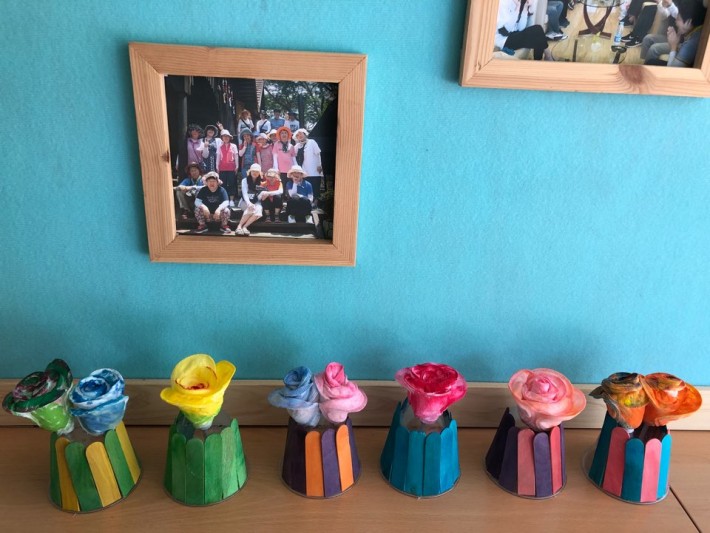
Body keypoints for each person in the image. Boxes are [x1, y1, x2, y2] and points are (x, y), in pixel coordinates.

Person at [642, 0, 706, 65]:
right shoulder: (695, 26)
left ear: (689, 22)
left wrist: (673, 46)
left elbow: (672, 69)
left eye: (678, 19)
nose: (675, 21)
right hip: (680, 40)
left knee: (653, 51)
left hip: (677, 53)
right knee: (648, 39)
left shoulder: (691, 43)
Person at [294, 128, 323, 204]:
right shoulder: (297, 146)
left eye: (301, 134)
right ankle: (307, 203)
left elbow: (318, 154)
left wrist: (319, 165)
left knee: (315, 186)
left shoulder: (312, 142)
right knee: (306, 187)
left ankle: (315, 203)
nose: (299, 136)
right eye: (297, 135)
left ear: (305, 134)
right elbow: (292, 154)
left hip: (314, 169)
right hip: (304, 170)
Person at [236, 163, 264, 236]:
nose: (255, 173)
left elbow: (259, 196)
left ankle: (245, 227)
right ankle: (239, 226)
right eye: (253, 171)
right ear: (250, 172)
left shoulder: (262, 182)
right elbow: (244, 193)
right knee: (251, 208)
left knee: (259, 209)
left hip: (256, 202)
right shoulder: (244, 180)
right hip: (245, 202)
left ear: (259, 173)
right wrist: (249, 203)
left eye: (257, 171)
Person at [215, 129, 239, 208]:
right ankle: (224, 199)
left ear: (230, 138)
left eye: (227, 136)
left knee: (231, 183)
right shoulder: (219, 146)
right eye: (224, 136)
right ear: (222, 138)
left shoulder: (234, 146)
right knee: (223, 183)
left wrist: (237, 166)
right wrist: (217, 166)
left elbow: (236, 156)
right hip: (222, 167)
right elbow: (218, 156)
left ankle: (231, 200)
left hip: (231, 167)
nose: (226, 138)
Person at [273, 126, 297, 194]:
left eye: (285, 133)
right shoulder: (276, 144)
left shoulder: (291, 146)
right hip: (281, 170)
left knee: (290, 186)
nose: (284, 134)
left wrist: (296, 168)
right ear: (279, 135)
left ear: (288, 135)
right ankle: (282, 198)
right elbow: (275, 157)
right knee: (282, 185)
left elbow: (293, 158)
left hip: (290, 170)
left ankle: (290, 199)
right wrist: (276, 168)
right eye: (282, 133)